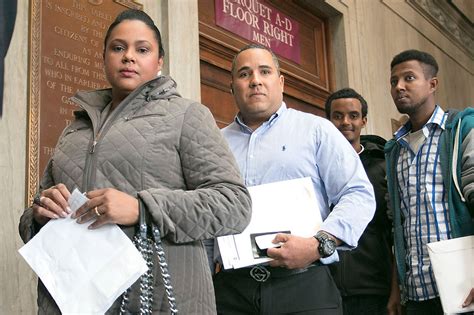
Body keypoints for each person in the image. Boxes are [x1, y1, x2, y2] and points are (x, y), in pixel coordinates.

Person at [18, 9, 252, 314]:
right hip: (71, 300)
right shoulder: (75, 129)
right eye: (118, 48)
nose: (129, 57)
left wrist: (142, 209)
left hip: (155, 301)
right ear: (104, 57)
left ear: (159, 62)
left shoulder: (186, 116)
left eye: (142, 50)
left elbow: (234, 205)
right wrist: (39, 214)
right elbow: (33, 212)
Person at [212, 43, 376, 315]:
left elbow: (358, 194)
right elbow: (206, 211)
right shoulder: (215, 143)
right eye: (244, 74)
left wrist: (318, 244)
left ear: (281, 81)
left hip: (305, 288)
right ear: (232, 87)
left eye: (264, 71)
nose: (255, 81)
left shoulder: (317, 130)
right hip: (230, 292)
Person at [385, 49, 474, 315]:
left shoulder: (460, 131)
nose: (399, 86)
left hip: (464, 288)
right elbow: (397, 227)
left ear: (432, 84)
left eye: (409, 78)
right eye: (393, 81)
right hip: (416, 294)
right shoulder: (394, 151)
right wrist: (396, 289)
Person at [325, 88, 398, 315]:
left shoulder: (383, 167)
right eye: (337, 116)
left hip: (374, 288)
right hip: (324, 287)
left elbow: (395, 232)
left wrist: (396, 289)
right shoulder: (316, 167)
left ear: (364, 120)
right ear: (328, 120)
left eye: (353, 115)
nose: (345, 122)